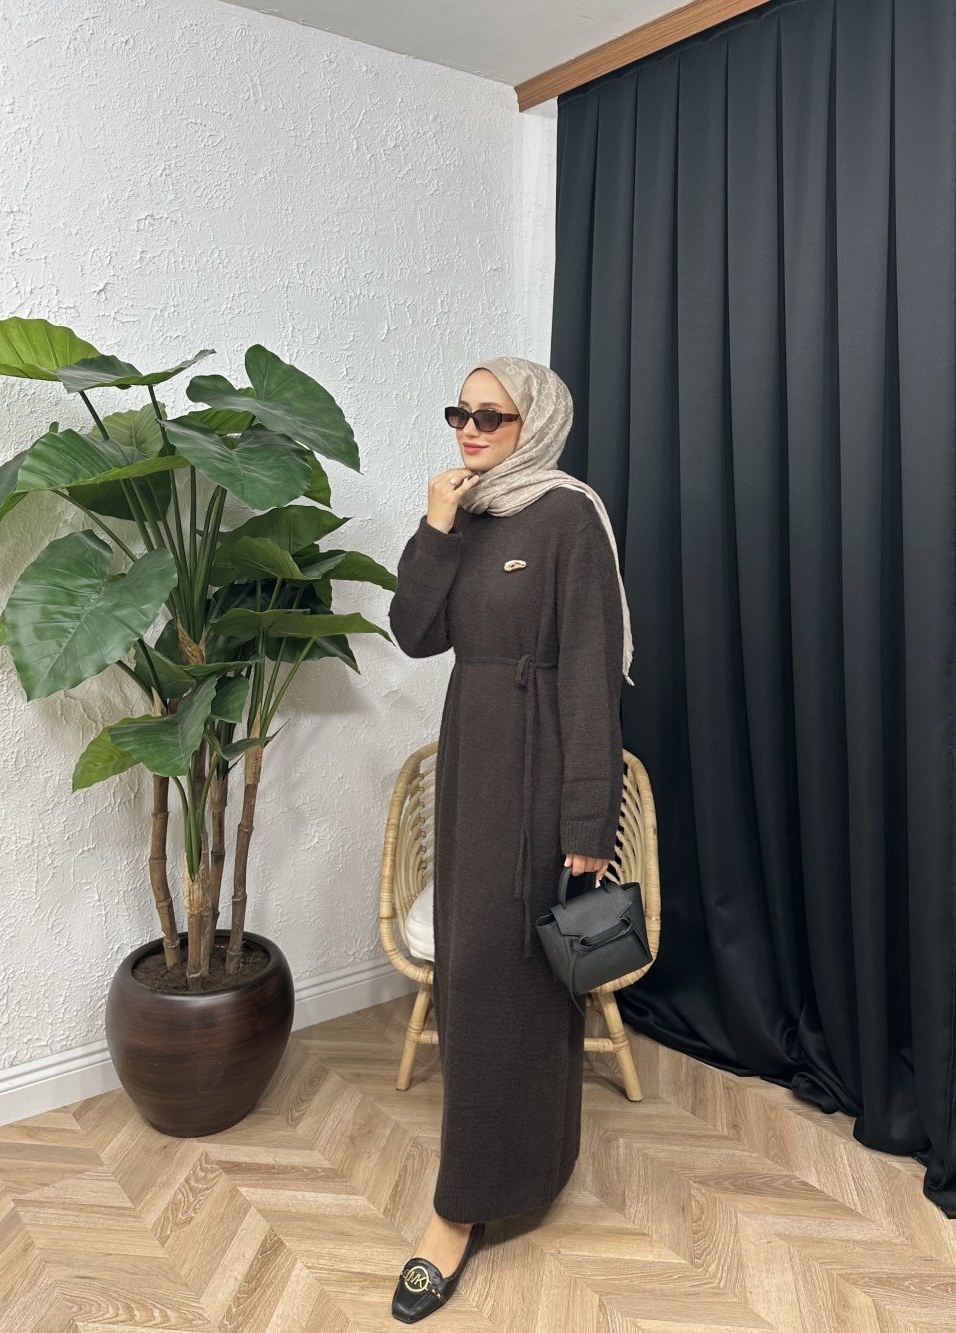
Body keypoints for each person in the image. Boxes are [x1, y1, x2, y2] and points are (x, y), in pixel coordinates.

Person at [387, 356, 634, 1323]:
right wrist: (436, 525)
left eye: (492, 415)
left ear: (537, 422)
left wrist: (588, 819)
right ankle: (512, 1164)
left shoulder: (570, 517)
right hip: (473, 764)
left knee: (510, 972)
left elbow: (591, 673)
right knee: (474, 971)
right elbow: (415, 632)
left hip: (538, 769)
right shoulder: (471, 514)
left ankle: (459, 1208)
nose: (470, 428)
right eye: (461, 411)